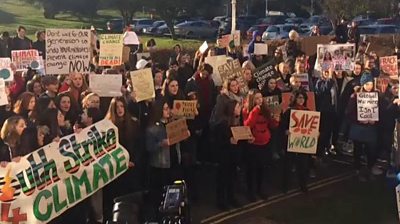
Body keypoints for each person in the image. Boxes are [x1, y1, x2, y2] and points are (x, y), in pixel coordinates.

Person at [243, 89, 280, 201]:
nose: (260, 100)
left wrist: (276, 120)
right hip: (253, 143)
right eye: (257, 98)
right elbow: (247, 125)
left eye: (261, 98)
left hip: (265, 142)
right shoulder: (246, 110)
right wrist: (254, 111)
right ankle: (251, 192)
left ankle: (260, 190)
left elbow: (272, 125)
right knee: (251, 169)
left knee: (262, 169)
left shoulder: (266, 109)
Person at [346, 72, 381, 181]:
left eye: (371, 84)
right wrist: (359, 120)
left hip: (371, 128)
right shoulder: (355, 96)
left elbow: (380, 111)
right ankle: (358, 170)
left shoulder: (376, 96)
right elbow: (348, 113)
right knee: (358, 150)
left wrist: (375, 120)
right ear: (362, 84)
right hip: (358, 128)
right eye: (367, 84)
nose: (369, 86)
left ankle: (370, 168)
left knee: (371, 150)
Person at [281, 90, 311, 193]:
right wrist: (286, 131)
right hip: (291, 142)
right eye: (299, 98)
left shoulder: (308, 111)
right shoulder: (289, 111)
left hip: (303, 143)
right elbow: (282, 126)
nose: (301, 100)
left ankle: (303, 184)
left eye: (303, 98)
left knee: (303, 165)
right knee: (288, 164)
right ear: (294, 99)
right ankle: (285, 185)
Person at [215, 99, 242, 209]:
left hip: (234, 154)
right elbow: (217, 139)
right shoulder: (222, 123)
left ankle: (231, 198)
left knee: (232, 177)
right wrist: (228, 141)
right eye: (237, 107)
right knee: (223, 178)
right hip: (224, 154)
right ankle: (221, 201)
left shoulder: (238, 120)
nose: (239, 109)